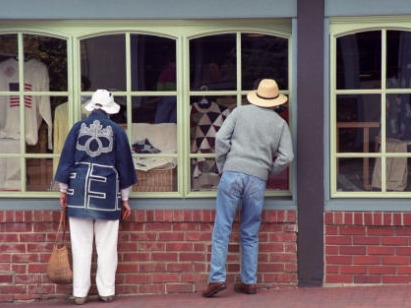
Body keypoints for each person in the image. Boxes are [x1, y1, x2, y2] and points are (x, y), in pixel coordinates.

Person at [202, 79, 294, 297]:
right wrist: (268, 171)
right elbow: (287, 156)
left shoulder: (239, 112)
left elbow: (221, 139)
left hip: (232, 173)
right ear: (275, 101)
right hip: (257, 180)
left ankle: (216, 278)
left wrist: (224, 165)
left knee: (222, 228)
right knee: (250, 232)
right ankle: (249, 281)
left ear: (256, 95)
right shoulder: (280, 123)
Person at [54, 89, 137, 305]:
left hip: (78, 190)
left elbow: (66, 161)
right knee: (107, 246)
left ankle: (80, 293)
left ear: (92, 106)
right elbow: (125, 167)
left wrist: (63, 191)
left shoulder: (76, 128)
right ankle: (106, 291)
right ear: (110, 108)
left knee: (80, 245)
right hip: (107, 192)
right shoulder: (118, 131)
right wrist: (125, 198)